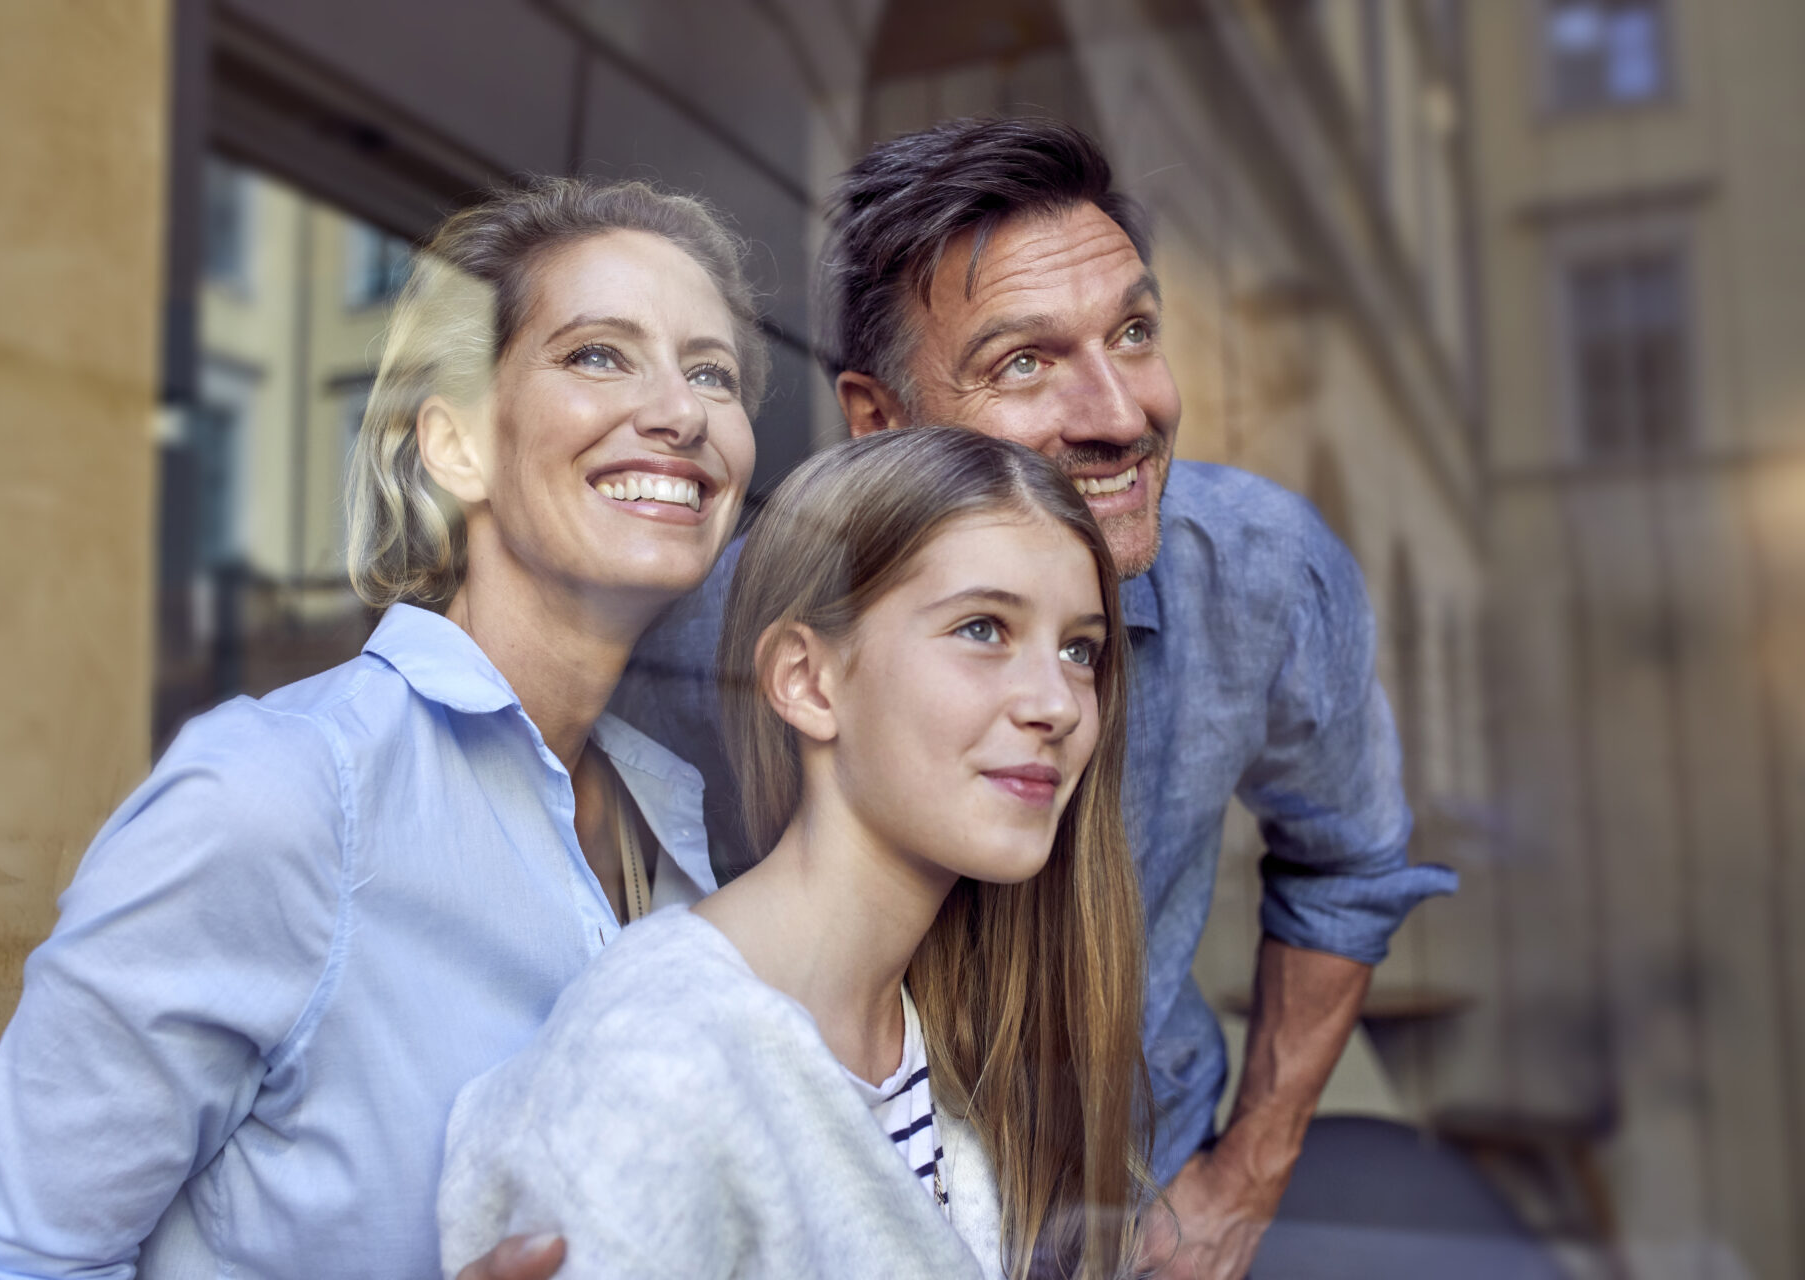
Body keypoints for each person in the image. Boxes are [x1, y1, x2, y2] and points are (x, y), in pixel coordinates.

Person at [614, 116, 1459, 1279]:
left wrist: (1247, 1173)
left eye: (1134, 330)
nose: (1121, 413)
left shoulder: (1262, 575)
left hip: (1140, 1210)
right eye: (1025, 360)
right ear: (879, 422)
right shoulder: (714, 633)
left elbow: (1350, 863)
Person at [0, 177, 766, 1280]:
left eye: (713, 371)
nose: (682, 410)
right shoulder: (284, 793)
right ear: (455, 445)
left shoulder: (680, 819)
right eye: (598, 353)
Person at [440, 427, 1153, 1280]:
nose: (1058, 704)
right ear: (808, 681)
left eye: (1081, 650)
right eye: (982, 628)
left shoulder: (942, 1037)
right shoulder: (657, 1066)